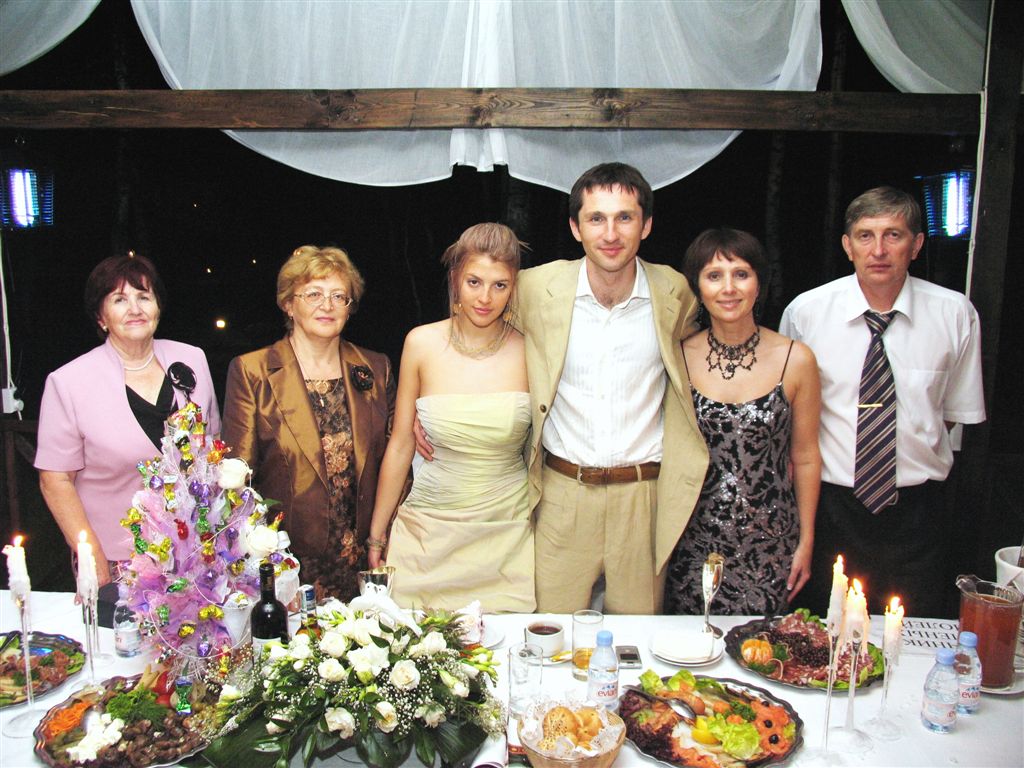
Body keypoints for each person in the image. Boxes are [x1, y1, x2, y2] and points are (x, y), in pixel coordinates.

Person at [779, 187, 985, 617]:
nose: (878, 250)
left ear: (917, 244)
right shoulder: (806, 313)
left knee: (912, 632)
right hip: (830, 508)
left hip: (918, 514)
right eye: (865, 235)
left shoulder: (954, 314)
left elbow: (952, 416)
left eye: (893, 235)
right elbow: (790, 417)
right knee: (821, 632)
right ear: (847, 245)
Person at [518, 163, 708, 614]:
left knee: (636, 642)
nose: (610, 233)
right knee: (550, 638)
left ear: (646, 225)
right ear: (575, 227)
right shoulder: (534, 288)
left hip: (642, 497)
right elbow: (486, 339)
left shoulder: (674, 292)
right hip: (562, 493)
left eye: (625, 217)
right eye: (596, 218)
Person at [367, 223, 534, 613]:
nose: (485, 298)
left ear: (514, 287)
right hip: (428, 534)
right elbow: (400, 445)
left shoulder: (531, 349)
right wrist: (377, 534)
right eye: (474, 282)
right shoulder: (421, 343)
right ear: (456, 278)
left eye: (500, 285)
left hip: (506, 535)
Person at [222, 245, 395, 601]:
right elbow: (237, 484)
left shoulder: (376, 369)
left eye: (338, 296)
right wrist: (262, 559)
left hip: (366, 558)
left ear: (349, 307)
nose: (327, 305)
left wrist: (384, 537)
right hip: (287, 564)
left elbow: (397, 460)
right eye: (313, 294)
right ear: (289, 304)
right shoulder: (252, 371)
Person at [35, 254, 221, 587]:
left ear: (158, 307)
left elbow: (214, 450)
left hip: (197, 552)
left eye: (144, 297)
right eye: (119, 300)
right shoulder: (69, 382)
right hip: (119, 561)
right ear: (101, 316)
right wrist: (92, 555)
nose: (135, 309)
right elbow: (55, 480)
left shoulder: (192, 359)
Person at [664, 229, 821, 615]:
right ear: (697, 288)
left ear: (759, 283)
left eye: (741, 274)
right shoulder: (676, 357)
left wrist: (806, 540)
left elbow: (805, 457)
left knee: (763, 647)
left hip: (769, 541)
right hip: (691, 540)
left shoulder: (796, 359)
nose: (729, 288)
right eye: (714, 276)